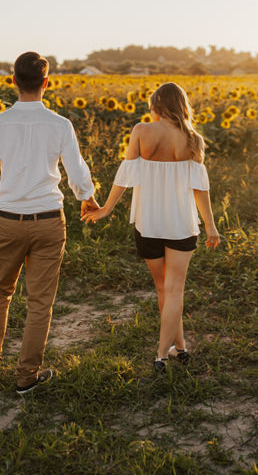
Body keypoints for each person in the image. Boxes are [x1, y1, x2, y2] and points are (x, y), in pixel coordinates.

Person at [0, 51, 99, 394]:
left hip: (9, 220)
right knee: (40, 301)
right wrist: (86, 197)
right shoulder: (59, 125)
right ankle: (27, 375)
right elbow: (76, 170)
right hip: (48, 222)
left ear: (13, 81)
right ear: (47, 83)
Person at [83, 82, 220, 372]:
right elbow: (200, 189)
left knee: (163, 289)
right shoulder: (193, 139)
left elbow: (126, 174)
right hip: (182, 224)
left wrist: (106, 208)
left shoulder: (142, 131)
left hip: (149, 223)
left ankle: (162, 353)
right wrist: (210, 225)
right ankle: (178, 348)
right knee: (174, 291)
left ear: (156, 104)